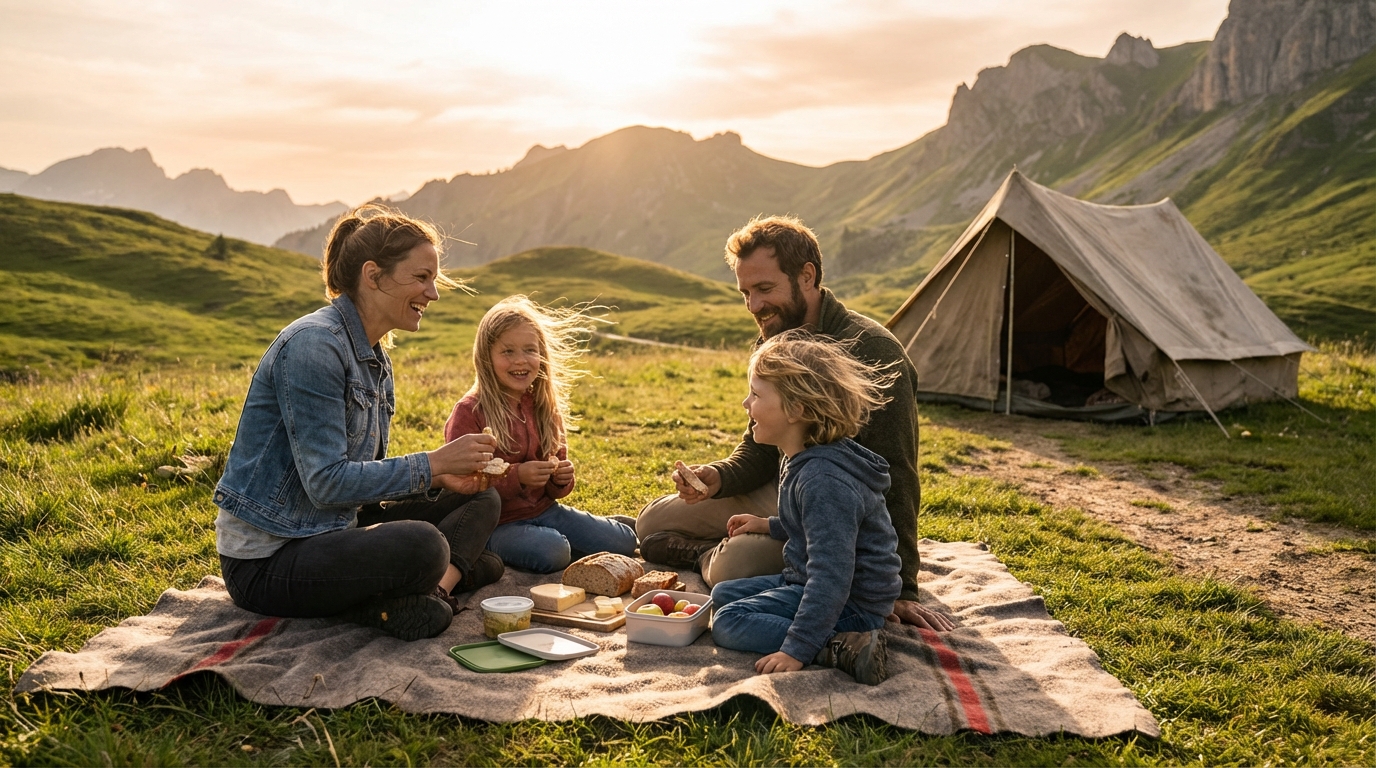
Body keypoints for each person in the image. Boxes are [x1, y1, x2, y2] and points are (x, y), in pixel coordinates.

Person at [636, 215, 955, 632]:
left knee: (733, 568)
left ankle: (703, 555)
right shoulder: (774, 335)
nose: (754, 306)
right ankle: (725, 543)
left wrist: (903, 588)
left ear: (807, 276)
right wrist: (719, 477)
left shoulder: (873, 350)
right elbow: (758, 448)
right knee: (650, 521)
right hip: (785, 488)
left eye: (764, 289)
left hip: (836, 507)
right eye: (746, 293)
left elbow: (898, 472)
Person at [214, 205, 506, 642]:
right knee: (426, 546)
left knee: (481, 500)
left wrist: (440, 478)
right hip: (269, 561)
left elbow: (358, 482)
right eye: (421, 277)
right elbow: (326, 484)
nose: (433, 293)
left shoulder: (374, 357)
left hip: (335, 527)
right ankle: (425, 583)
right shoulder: (314, 346)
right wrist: (432, 463)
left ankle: (434, 589)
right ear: (373, 276)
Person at [710, 331, 901, 685]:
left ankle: (839, 646)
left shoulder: (823, 480)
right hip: (808, 581)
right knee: (720, 595)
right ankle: (830, 631)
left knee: (728, 621)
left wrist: (797, 648)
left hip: (850, 602)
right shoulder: (800, 457)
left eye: (756, 395)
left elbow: (832, 575)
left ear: (796, 409)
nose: (745, 403)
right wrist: (768, 525)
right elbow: (813, 524)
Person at [443, 296, 638, 573]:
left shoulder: (544, 406)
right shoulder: (469, 411)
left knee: (625, 542)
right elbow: (461, 484)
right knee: (553, 551)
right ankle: (484, 546)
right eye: (507, 351)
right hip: (496, 523)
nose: (520, 360)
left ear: (542, 355)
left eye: (530, 350)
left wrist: (561, 479)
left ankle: (579, 534)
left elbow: (557, 482)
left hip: (545, 511)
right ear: (486, 357)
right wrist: (517, 476)